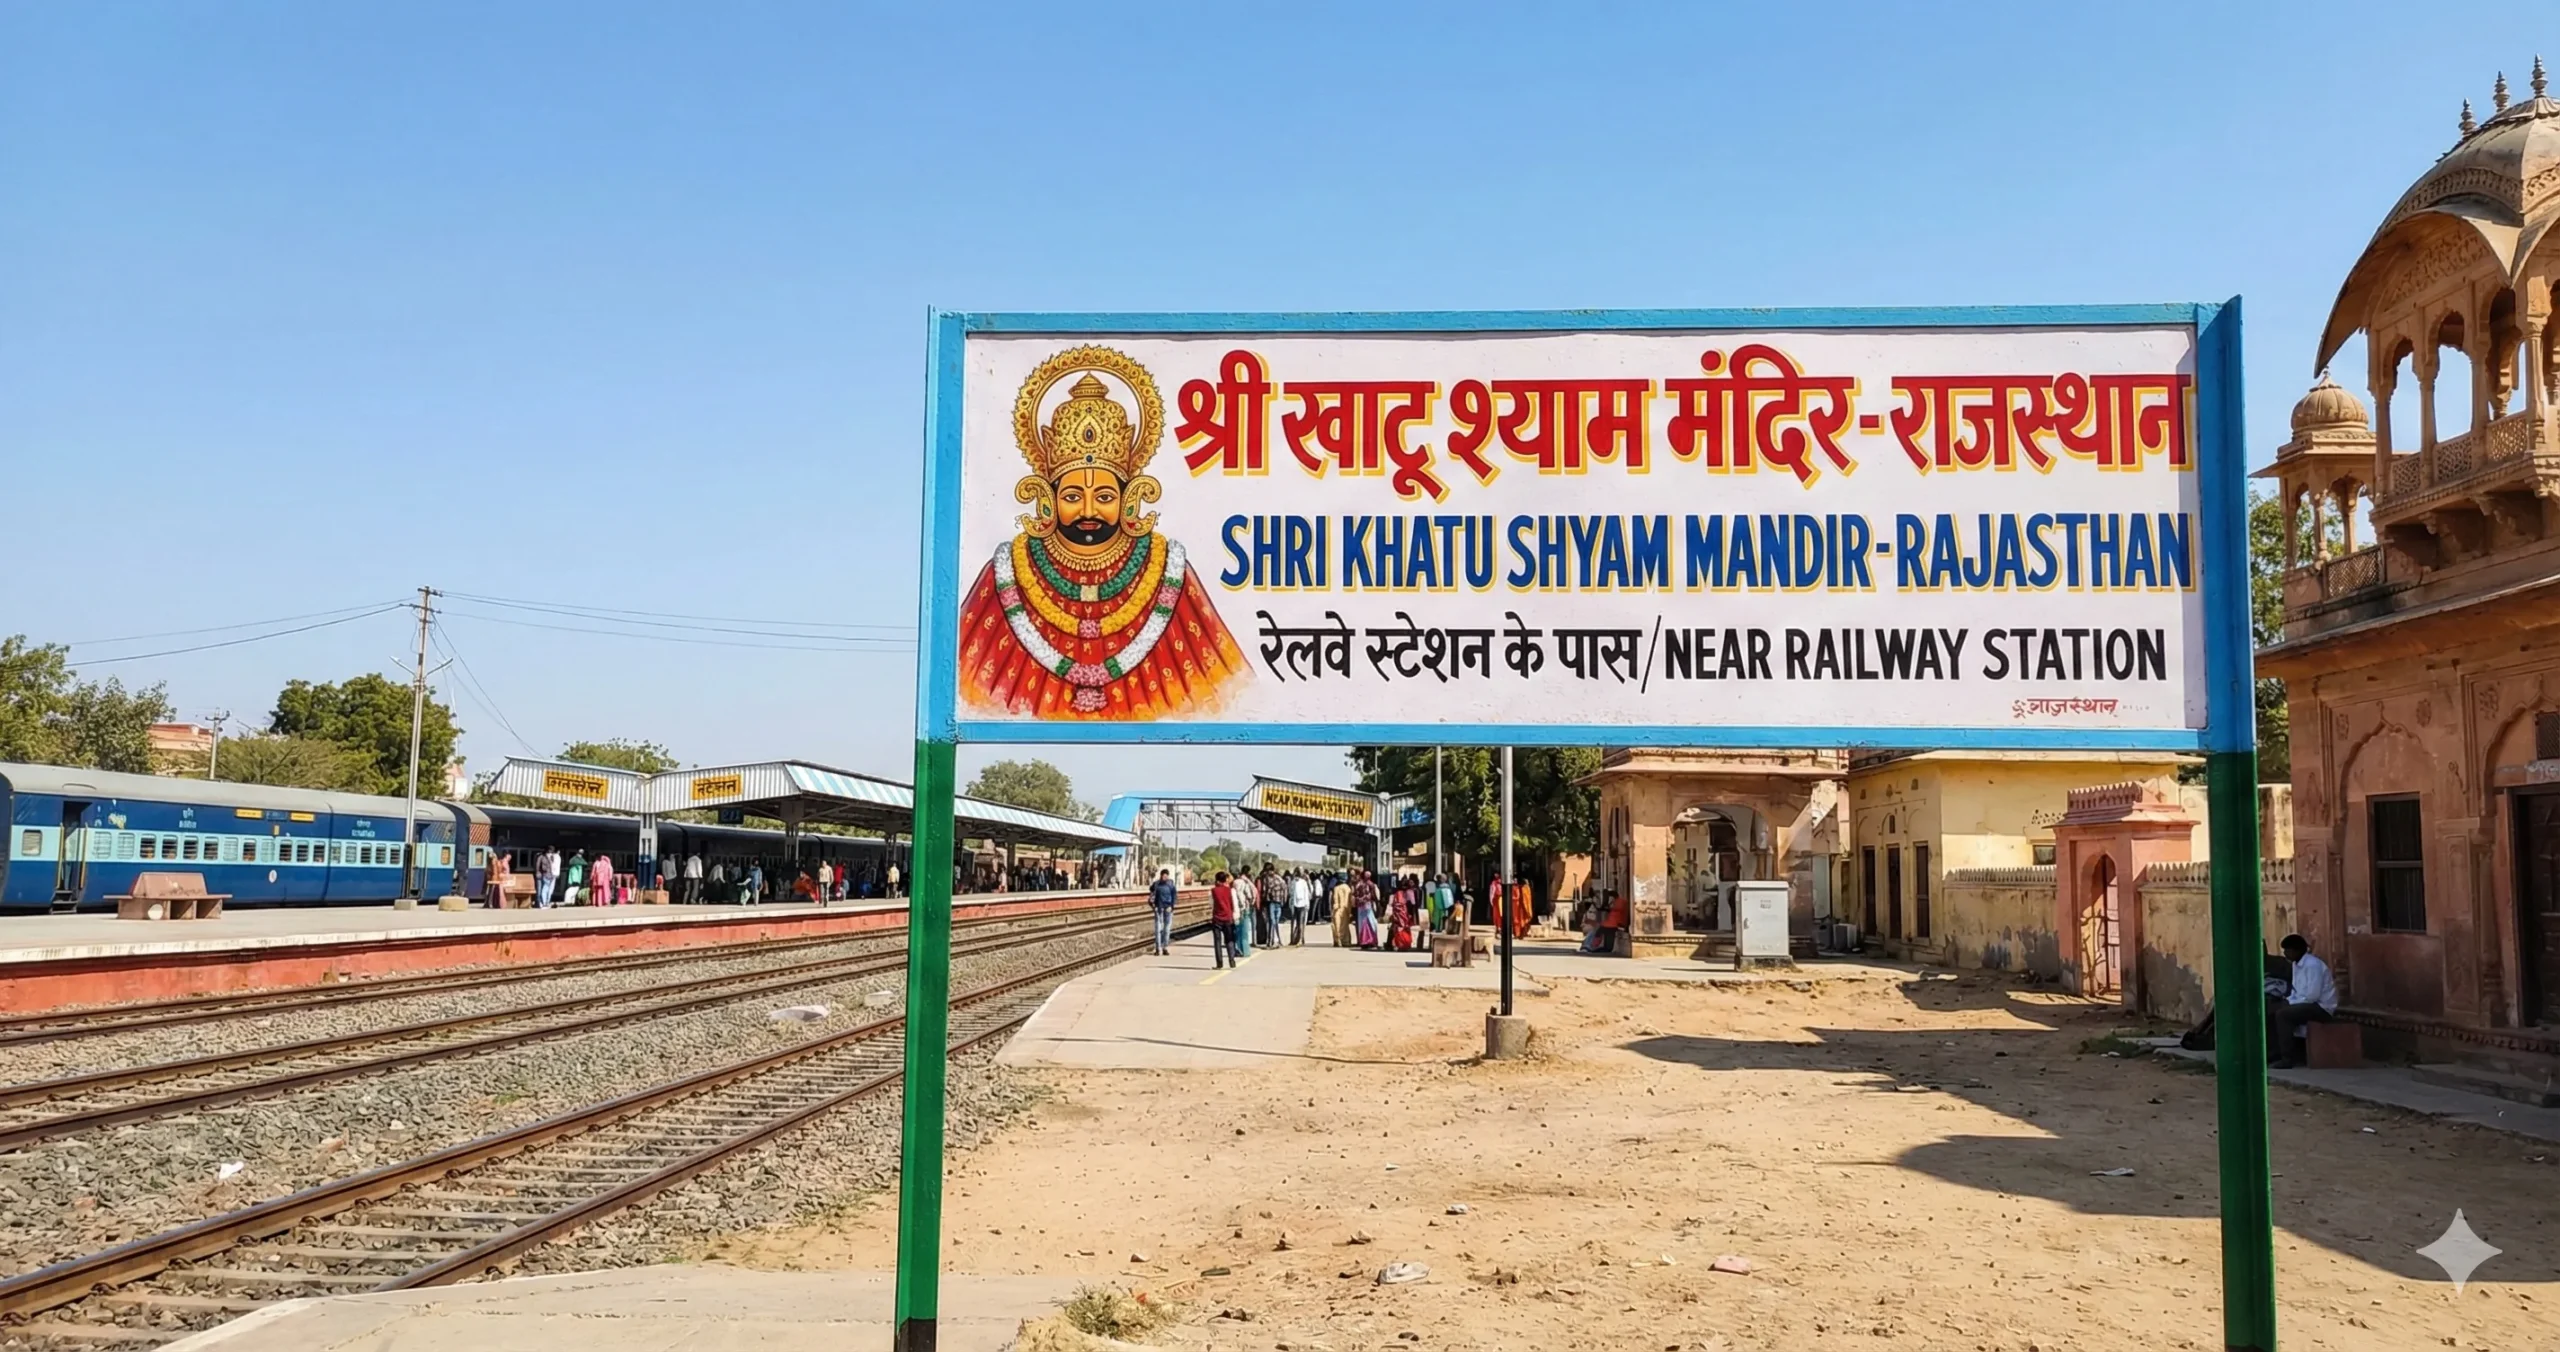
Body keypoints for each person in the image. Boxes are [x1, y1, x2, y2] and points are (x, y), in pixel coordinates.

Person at [2271, 933, 2339, 1068]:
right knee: (2272, 1009)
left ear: (2297, 950)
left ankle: (2288, 1058)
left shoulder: (2313, 965)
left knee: (2283, 1015)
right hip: (2304, 1004)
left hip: (2320, 1007)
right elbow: (2296, 991)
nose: (2285, 954)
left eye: (2288, 951)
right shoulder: (2296, 964)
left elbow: (2312, 996)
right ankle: (2275, 1052)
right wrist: (2288, 1001)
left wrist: (2290, 1004)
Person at [1209, 871, 1240, 969]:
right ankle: (1231, 960)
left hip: (1217, 919)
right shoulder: (1231, 891)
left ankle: (1219, 963)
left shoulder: (1213, 891)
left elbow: (1211, 905)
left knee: (1217, 942)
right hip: (1228, 919)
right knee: (1229, 940)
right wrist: (1235, 917)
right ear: (1225, 880)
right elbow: (1235, 905)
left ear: (1217, 880)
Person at [1149, 868, 1179, 955]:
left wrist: (1172, 907)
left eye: (1166, 875)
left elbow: (1174, 896)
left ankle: (1165, 947)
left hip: (1168, 909)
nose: (1164, 877)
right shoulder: (1157, 884)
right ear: (1161, 875)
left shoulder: (1170, 885)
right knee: (1158, 929)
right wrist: (1153, 904)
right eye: (1163, 875)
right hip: (1159, 908)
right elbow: (1151, 892)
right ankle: (1158, 948)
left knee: (1166, 929)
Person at [1351, 870, 1381, 949]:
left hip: (1361, 907)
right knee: (1371, 923)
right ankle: (1371, 941)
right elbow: (1376, 897)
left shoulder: (1358, 884)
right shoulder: (1372, 885)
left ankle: (1364, 941)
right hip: (1368, 907)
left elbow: (1355, 895)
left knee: (1362, 924)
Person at [1330, 873, 1354, 948]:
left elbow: (1335, 899)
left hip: (1338, 909)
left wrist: (1333, 909)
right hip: (1346, 909)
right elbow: (1350, 901)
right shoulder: (1348, 888)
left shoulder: (1336, 888)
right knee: (1345, 926)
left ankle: (1338, 941)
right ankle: (1346, 941)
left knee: (1337, 926)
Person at [1287, 870, 1310, 945]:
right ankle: (1292, 939)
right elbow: (1290, 893)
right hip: (1294, 905)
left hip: (1302, 904)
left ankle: (1300, 939)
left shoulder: (1303, 882)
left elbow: (1306, 894)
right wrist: (1290, 904)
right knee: (1293, 923)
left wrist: (1307, 904)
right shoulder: (1292, 882)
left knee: (1300, 923)